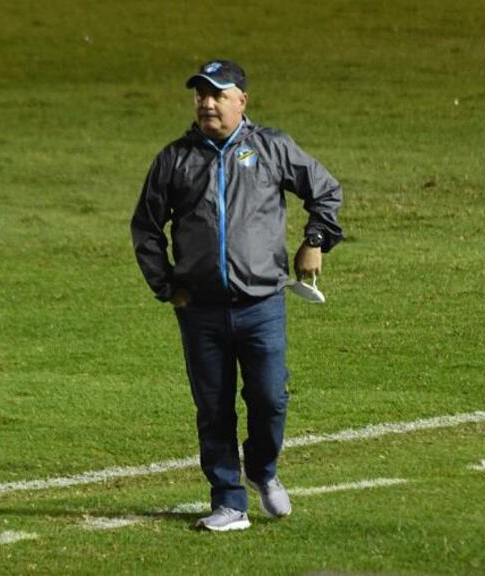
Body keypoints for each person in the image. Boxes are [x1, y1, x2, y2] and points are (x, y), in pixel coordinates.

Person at [131, 60, 344, 531]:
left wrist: (315, 241)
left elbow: (325, 191)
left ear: (241, 100)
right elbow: (146, 227)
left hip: (261, 305)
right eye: (201, 95)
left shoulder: (271, 147)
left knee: (270, 399)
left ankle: (262, 471)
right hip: (200, 311)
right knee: (213, 408)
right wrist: (166, 286)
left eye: (218, 94)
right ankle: (228, 501)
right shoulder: (174, 159)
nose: (207, 103)